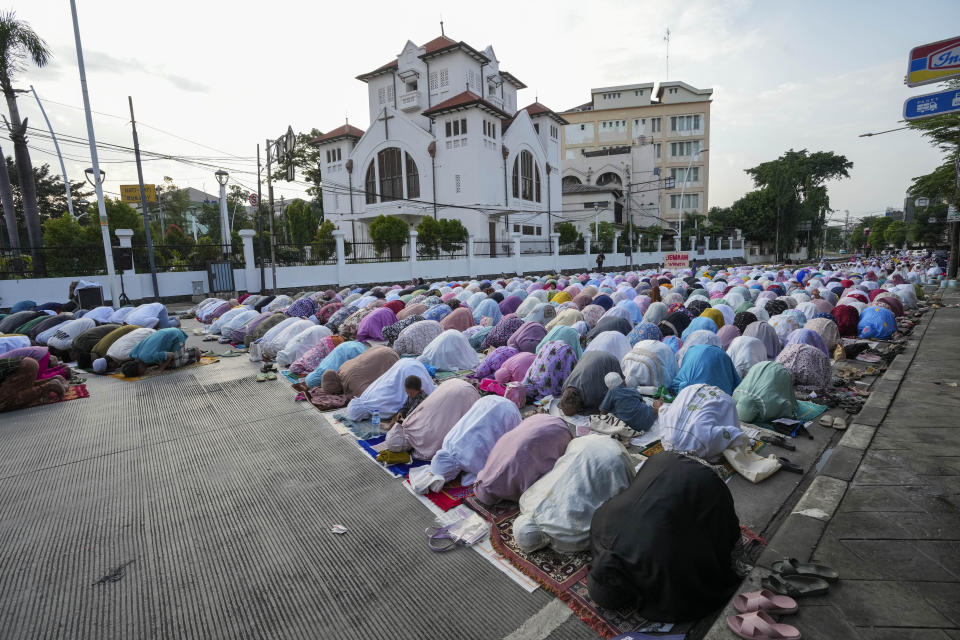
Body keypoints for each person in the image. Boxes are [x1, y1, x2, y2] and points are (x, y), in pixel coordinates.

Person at [587, 451, 741, 621]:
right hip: (663, 460)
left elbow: (687, 590)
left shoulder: (662, 569)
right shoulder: (598, 526)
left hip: (707, 482)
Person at [513, 435, 635, 553]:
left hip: (611, 459)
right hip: (583, 444)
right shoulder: (527, 501)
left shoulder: (566, 537)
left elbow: (592, 534)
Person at [384, 378, 479, 460]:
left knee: (454, 415)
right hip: (454, 385)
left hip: (460, 389)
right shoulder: (410, 425)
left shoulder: (420, 439)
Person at [0, 356, 68, 412]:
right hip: (26, 362)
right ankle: (52, 380)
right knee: (17, 390)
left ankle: (50, 385)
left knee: (4, 403)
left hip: (23, 366)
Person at [120, 327, 194, 377]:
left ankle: (193, 352)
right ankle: (181, 352)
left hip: (176, 335)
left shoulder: (148, 357)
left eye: (141, 373)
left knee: (174, 364)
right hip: (165, 333)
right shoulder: (133, 354)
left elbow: (170, 355)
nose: (143, 373)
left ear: (139, 368)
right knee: (161, 361)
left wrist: (160, 369)